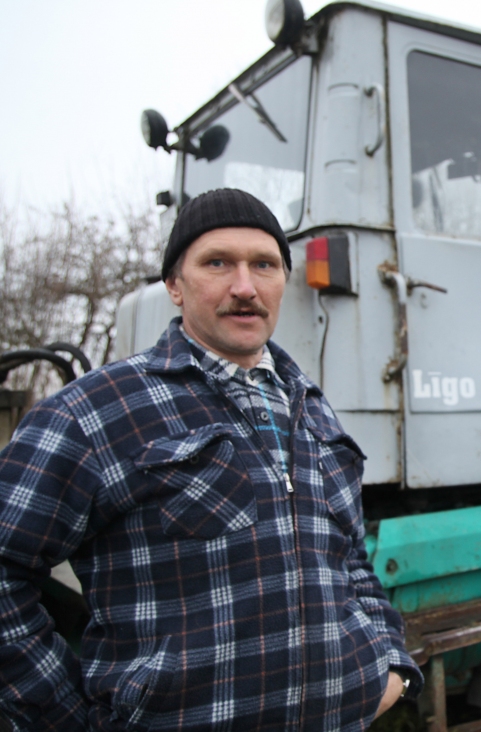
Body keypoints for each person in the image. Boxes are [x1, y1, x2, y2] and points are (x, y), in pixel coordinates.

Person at [0, 188, 421, 730]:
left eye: (264, 264)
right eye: (217, 262)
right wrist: (63, 718)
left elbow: (349, 556)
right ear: (175, 285)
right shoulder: (96, 410)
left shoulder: (311, 407)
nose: (244, 287)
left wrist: (390, 664)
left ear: (283, 282)